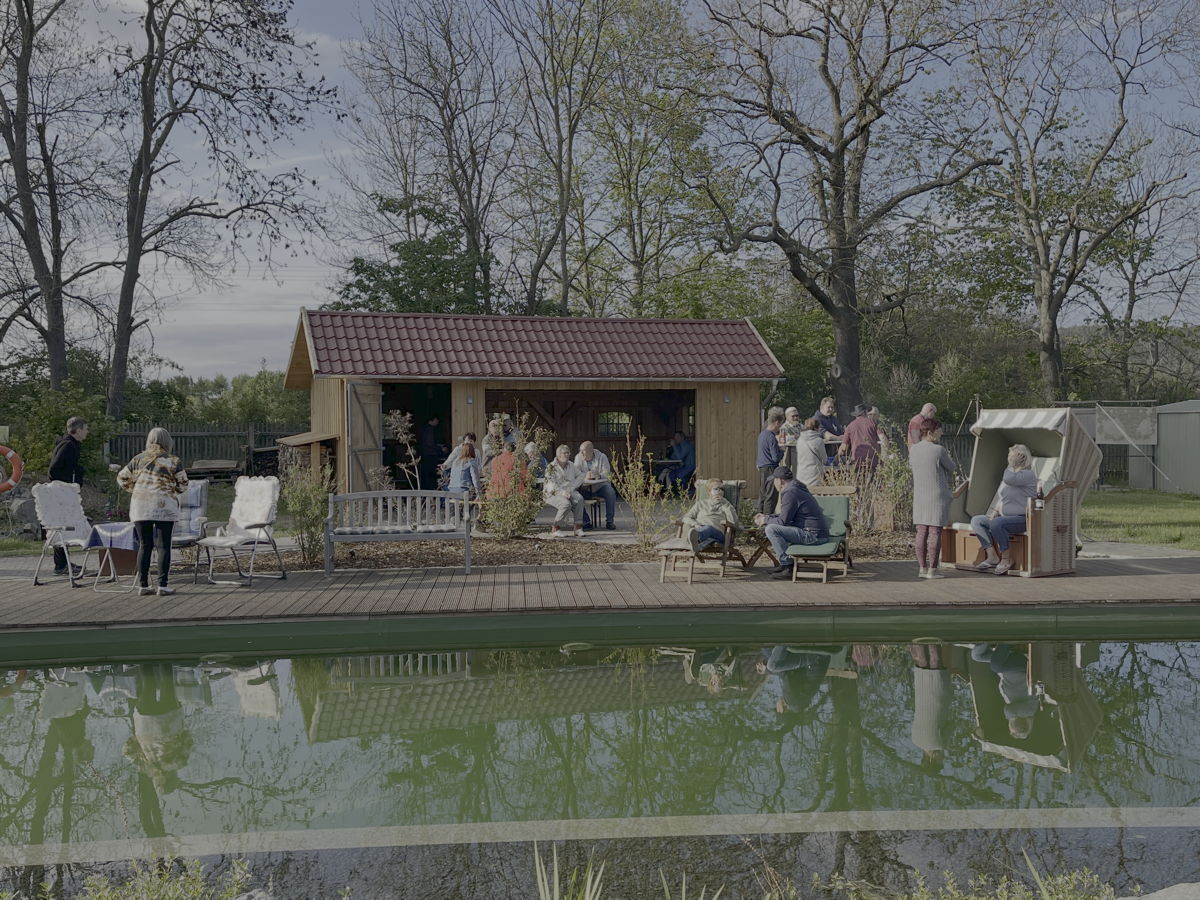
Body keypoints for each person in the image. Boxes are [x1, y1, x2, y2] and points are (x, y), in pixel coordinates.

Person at [116, 427, 189, 597]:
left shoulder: (137, 459)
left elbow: (122, 478)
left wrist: (135, 489)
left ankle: (143, 585)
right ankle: (162, 585)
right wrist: (172, 490)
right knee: (163, 546)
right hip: (164, 506)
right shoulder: (173, 461)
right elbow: (183, 484)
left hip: (141, 506)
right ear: (167, 441)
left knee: (144, 545)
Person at [971, 443, 1037, 575]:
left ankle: (1006, 558)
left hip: (1022, 519)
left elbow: (1008, 479)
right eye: (1009, 456)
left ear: (1022, 457)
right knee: (977, 520)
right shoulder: (1011, 475)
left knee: (997, 523)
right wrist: (995, 512)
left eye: (1012, 456)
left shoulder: (1027, 474)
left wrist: (1011, 465)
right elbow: (1003, 496)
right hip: (1004, 518)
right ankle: (992, 556)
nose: (1010, 459)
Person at [754, 466, 829, 580]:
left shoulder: (790, 492)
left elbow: (782, 521)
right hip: (816, 534)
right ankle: (784, 565)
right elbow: (786, 516)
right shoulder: (795, 488)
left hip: (813, 536)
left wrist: (765, 520)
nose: (774, 483)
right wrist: (768, 517)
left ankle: (788, 567)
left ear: (780, 481)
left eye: (774, 480)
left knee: (771, 529)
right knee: (772, 526)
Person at [909, 419, 955, 579]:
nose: (941, 433)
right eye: (939, 430)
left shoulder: (913, 449)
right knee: (935, 531)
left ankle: (922, 568)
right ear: (930, 432)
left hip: (920, 496)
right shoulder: (939, 450)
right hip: (937, 497)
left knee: (921, 531)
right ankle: (932, 571)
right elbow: (952, 467)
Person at [47, 415, 89, 576]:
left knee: (63, 525)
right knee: (62, 525)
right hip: (61, 493)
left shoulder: (72, 444)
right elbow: (54, 469)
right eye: (85, 429)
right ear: (78, 430)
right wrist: (65, 485)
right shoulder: (68, 445)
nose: (87, 432)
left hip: (64, 492)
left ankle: (62, 563)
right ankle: (60, 565)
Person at [682, 481, 741, 553]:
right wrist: (695, 524)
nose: (720, 491)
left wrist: (725, 505)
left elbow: (734, 522)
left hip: (717, 533)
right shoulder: (701, 504)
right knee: (686, 525)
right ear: (709, 492)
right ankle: (695, 542)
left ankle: (695, 539)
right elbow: (686, 517)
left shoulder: (726, 505)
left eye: (722, 489)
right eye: (716, 489)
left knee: (708, 528)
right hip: (699, 528)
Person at [543, 444, 584, 537]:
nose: (567, 455)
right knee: (566, 504)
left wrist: (572, 487)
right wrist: (562, 492)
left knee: (579, 499)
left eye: (568, 453)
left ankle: (578, 528)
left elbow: (581, 476)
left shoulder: (571, 465)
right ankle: (556, 528)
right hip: (552, 493)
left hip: (569, 491)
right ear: (558, 455)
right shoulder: (551, 467)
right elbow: (551, 485)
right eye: (564, 453)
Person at [575, 441, 617, 530]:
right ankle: (585, 521)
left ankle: (610, 522)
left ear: (591, 451)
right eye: (580, 451)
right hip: (585, 488)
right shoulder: (578, 457)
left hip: (600, 487)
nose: (581, 453)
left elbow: (608, 474)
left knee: (611, 492)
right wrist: (585, 476)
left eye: (583, 451)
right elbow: (575, 474)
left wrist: (598, 475)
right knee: (573, 495)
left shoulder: (602, 457)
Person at [756, 409, 785, 513]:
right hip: (771, 468)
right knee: (771, 496)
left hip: (762, 467)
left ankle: (759, 517)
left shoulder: (762, 434)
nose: (780, 427)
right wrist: (782, 450)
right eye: (781, 424)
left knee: (763, 494)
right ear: (777, 422)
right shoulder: (771, 437)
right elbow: (775, 457)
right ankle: (768, 519)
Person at [840, 403, 881, 469]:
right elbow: (883, 438)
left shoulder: (850, 426)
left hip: (857, 461)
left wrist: (838, 457)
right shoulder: (872, 423)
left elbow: (844, 448)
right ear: (865, 412)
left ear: (856, 415)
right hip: (873, 460)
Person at [793, 418, 826, 490]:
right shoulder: (819, 441)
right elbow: (824, 459)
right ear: (816, 428)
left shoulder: (800, 440)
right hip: (815, 474)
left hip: (801, 474)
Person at [418, 415, 446, 489]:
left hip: (425, 454)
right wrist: (440, 448)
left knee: (426, 474)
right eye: (437, 420)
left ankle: (427, 488)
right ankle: (431, 488)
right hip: (430, 454)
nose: (437, 422)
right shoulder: (429, 429)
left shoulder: (424, 428)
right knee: (431, 473)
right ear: (433, 420)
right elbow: (430, 443)